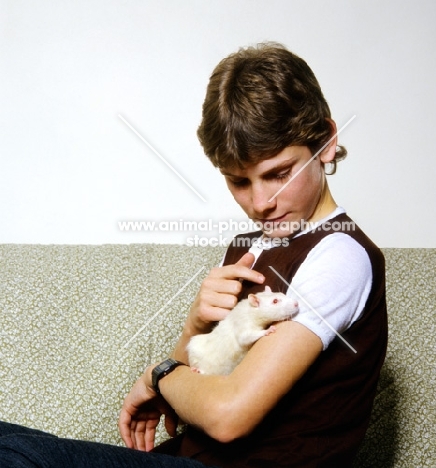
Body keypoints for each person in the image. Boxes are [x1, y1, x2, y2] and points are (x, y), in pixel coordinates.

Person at [0, 42, 387, 467]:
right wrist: (195, 325)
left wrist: (158, 376)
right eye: (239, 182)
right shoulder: (247, 247)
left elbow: (227, 415)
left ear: (327, 143)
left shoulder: (340, 256)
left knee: (18, 455)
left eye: (278, 174)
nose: (261, 202)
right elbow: (207, 373)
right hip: (190, 459)